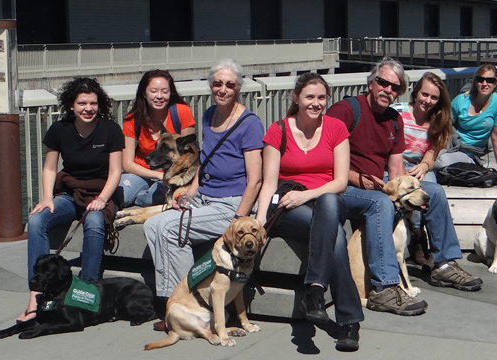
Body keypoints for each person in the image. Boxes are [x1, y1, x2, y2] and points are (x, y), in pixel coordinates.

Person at [326, 57, 483, 317]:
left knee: (433, 192)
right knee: (381, 203)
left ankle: (444, 264)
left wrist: (406, 196)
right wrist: (358, 179)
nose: (387, 89)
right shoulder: (346, 110)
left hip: (378, 187)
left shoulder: (393, 120)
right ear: (371, 82)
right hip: (343, 188)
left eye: (394, 87)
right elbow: (324, 159)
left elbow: (396, 170)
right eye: (383, 82)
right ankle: (385, 287)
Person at [144, 58, 264, 329]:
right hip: (205, 196)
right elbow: (204, 163)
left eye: (229, 84)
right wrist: (188, 192)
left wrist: (238, 217)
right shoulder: (209, 116)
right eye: (217, 83)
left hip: (231, 203)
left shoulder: (250, 124)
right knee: (153, 225)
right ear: (211, 86)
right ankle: (172, 300)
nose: (222, 89)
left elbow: (255, 180)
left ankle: (196, 304)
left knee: (172, 229)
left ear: (239, 87)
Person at [255, 73, 362, 351]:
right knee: (336, 239)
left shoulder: (336, 128)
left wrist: (308, 193)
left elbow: (340, 181)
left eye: (321, 98)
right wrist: (259, 223)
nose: (316, 103)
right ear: (296, 98)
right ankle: (349, 322)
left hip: (325, 200)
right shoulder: (278, 130)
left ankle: (314, 289)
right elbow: (268, 183)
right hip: (290, 208)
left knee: (328, 200)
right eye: (309, 97)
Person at [18, 77, 124, 322]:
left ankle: (86, 293)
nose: (88, 108)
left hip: (102, 193)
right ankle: (36, 297)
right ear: (71, 106)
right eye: (82, 103)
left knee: (95, 222)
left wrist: (102, 198)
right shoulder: (60, 129)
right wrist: (46, 198)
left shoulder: (110, 130)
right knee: (36, 222)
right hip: (71, 193)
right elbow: (49, 168)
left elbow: (116, 172)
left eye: (93, 103)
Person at [117, 70, 196, 208]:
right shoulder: (132, 119)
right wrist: (159, 176)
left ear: (170, 93)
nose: (159, 96)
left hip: (173, 174)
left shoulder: (182, 112)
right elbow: (127, 163)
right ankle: (143, 195)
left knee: (159, 197)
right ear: (144, 92)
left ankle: (143, 197)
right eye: (153, 91)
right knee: (121, 196)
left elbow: (189, 152)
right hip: (141, 171)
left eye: (164, 91)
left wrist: (169, 176)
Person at [434, 63, 497, 175]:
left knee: (441, 161)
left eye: (490, 80)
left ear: (495, 83)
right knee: (433, 156)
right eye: (481, 79)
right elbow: (443, 124)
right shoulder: (461, 100)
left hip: (469, 153)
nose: (485, 84)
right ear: (475, 82)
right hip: (451, 144)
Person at [389, 72, 453, 182]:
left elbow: (431, 154)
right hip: (392, 164)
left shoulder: (438, 121)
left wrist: (424, 166)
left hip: (417, 166)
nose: (428, 101)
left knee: (431, 188)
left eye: (434, 97)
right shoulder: (396, 112)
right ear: (416, 93)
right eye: (424, 94)